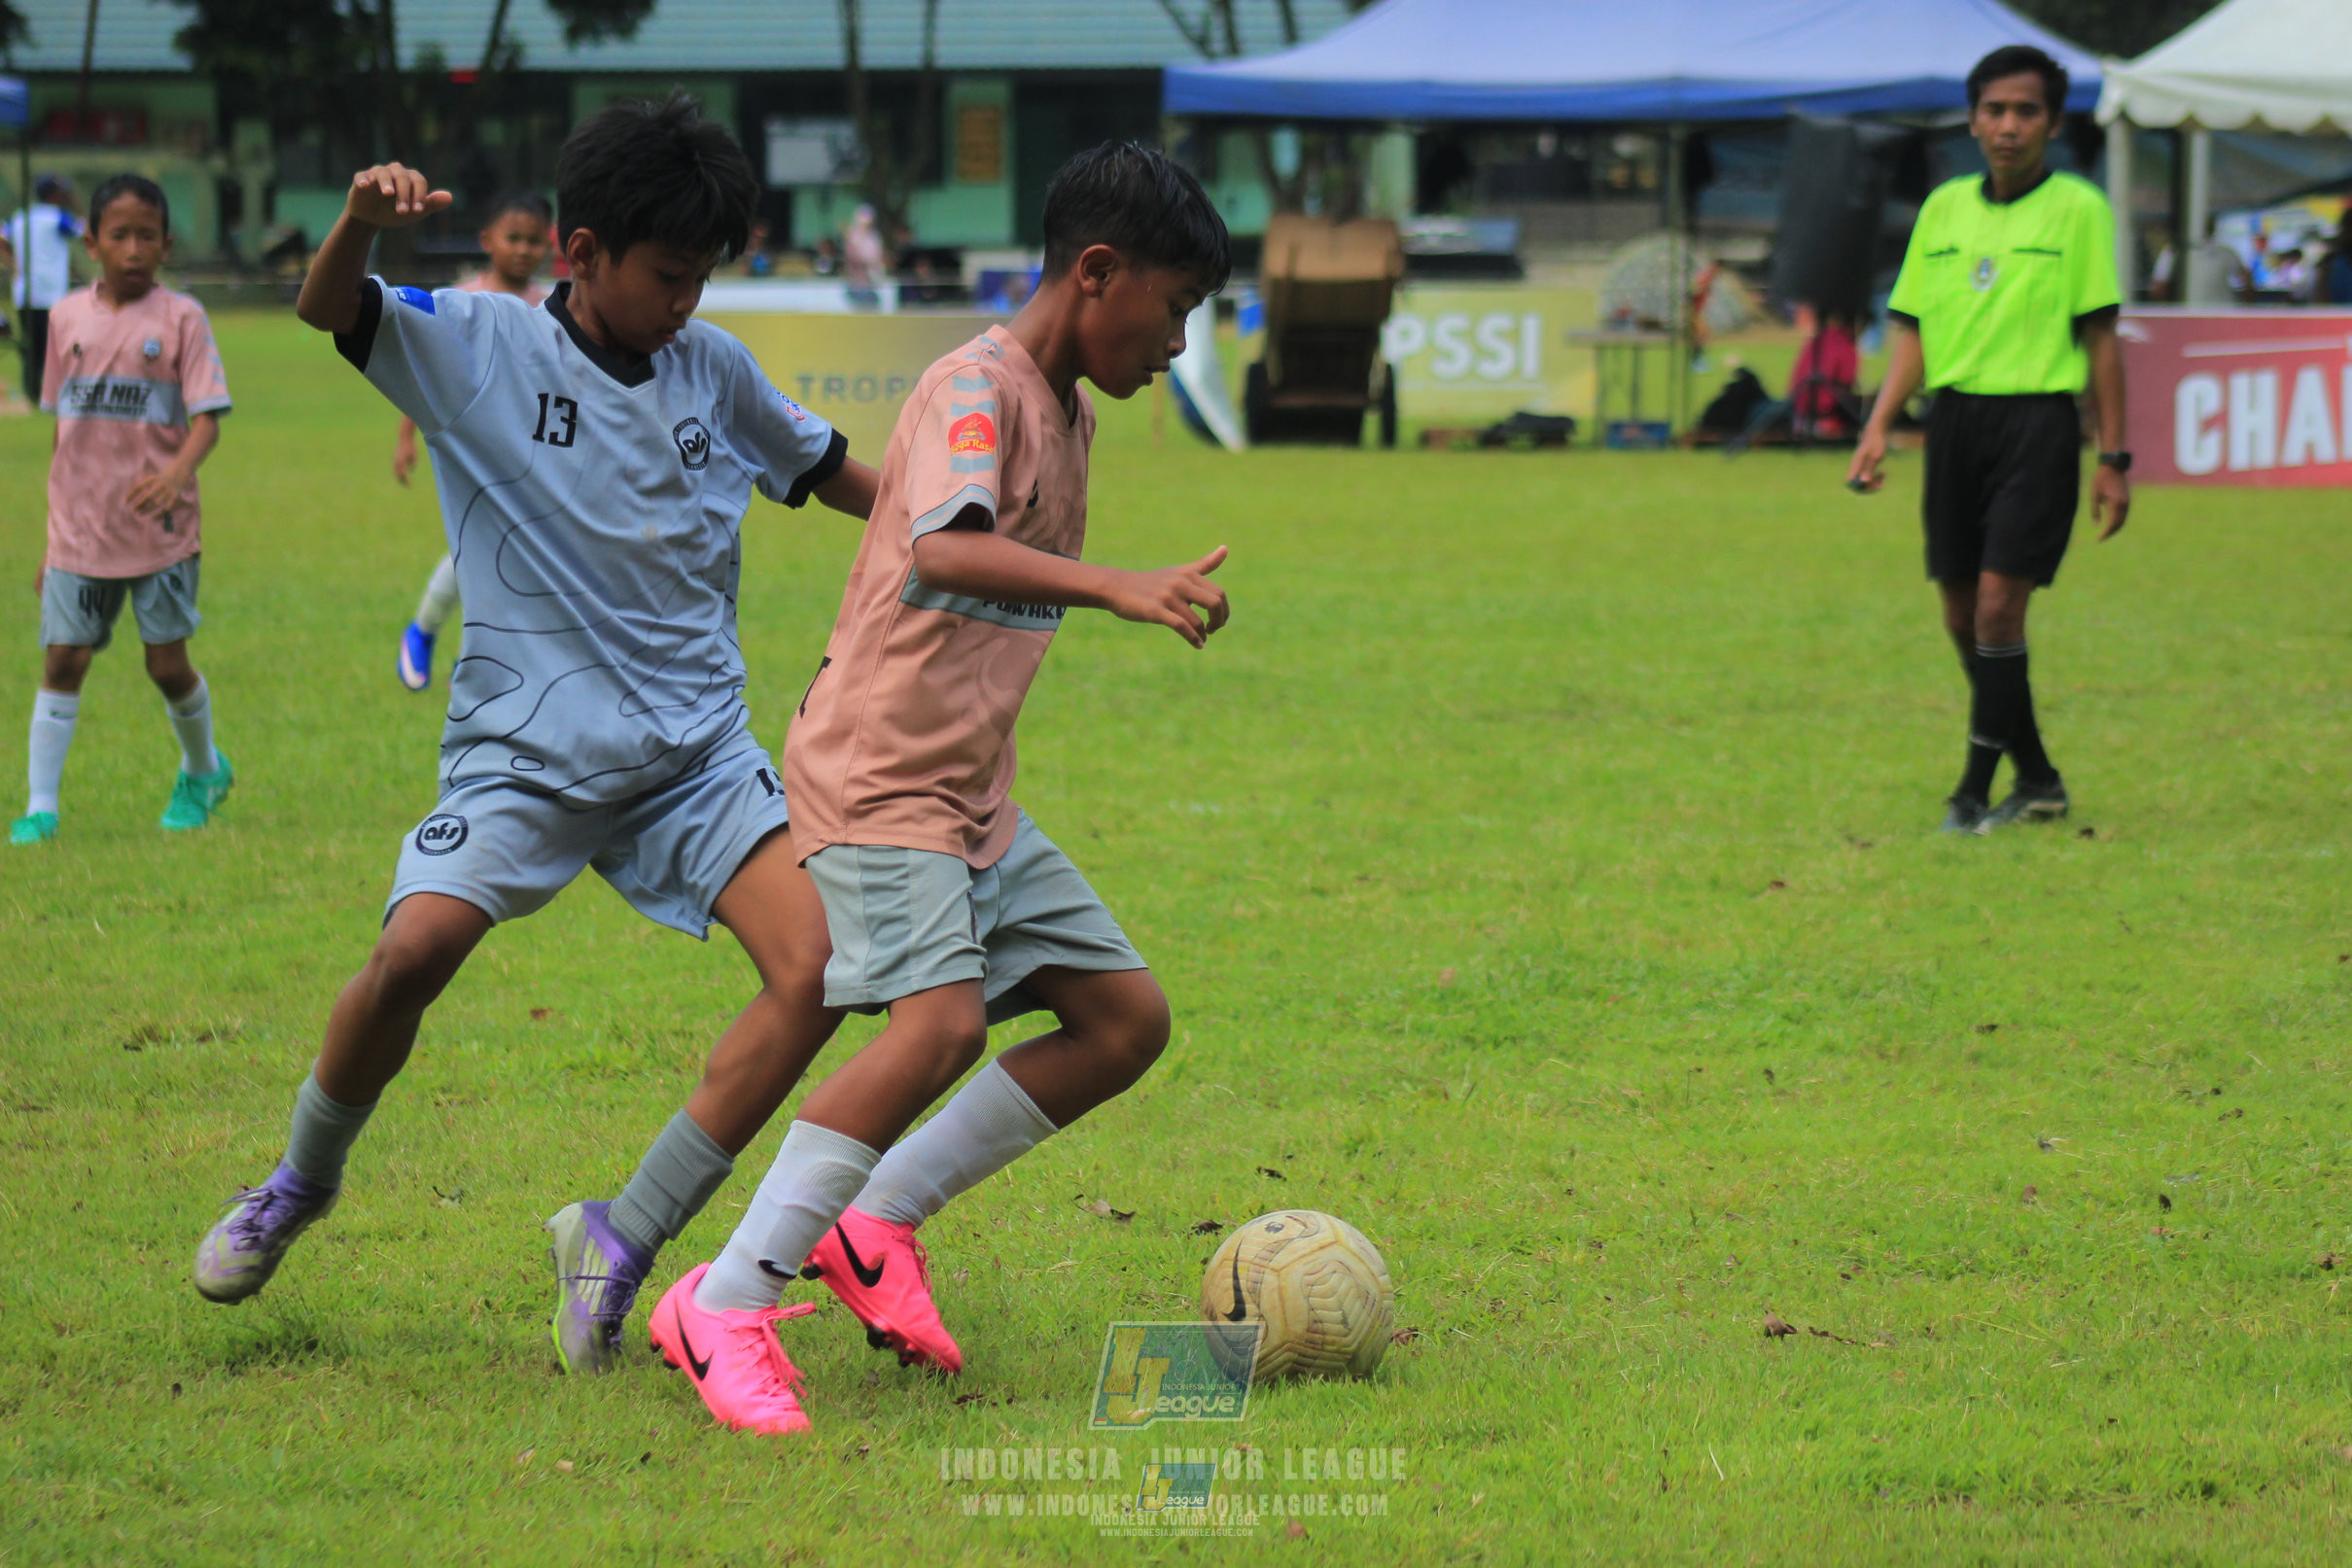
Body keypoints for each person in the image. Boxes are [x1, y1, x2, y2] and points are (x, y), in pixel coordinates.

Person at [188, 98, 885, 1329]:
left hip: (694, 756)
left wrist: (961, 525)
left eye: (704, 276)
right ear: (580, 253)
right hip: (526, 753)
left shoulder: (711, 368)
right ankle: (298, 1180)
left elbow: (835, 477)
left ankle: (620, 1236)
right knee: (411, 952)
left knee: (818, 967)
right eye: (669, 274)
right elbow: (328, 309)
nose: (687, 301)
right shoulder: (482, 347)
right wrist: (356, 221)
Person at [645, 142, 1233, 1437]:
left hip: (966, 787)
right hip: (878, 775)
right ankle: (722, 1301)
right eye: (1175, 307)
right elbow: (943, 546)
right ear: (1096, 272)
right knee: (937, 1028)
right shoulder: (978, 385)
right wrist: (1121, 585)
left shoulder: (1066, 408)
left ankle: (871, 1222)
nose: (1176, 343)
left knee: (1122, 1020)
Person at [1848, 44, 2128, 835]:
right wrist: (1876, 426)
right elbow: (1912, 331)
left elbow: (2103, 341)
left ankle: (1970, 793)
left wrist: (2113, 458)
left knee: (2000, 613)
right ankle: (2036, 777)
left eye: (2026, 111)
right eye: (1995, 110)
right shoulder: (1942, 211)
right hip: (1954, 425)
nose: (2008, 126)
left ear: (2053, 122)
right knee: (1960, 614)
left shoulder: (2077, 209)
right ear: (1972, 120)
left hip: (2038, 424)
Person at [12, 175, 234, 848]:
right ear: (91, 242)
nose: (133, 248)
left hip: (158, 529)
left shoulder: (182, 318)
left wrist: (175, 472)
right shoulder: (65, 318)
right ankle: (41, 806)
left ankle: (204, 770)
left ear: (166, 244)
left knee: (166, 665)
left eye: (147, 236)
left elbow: (208, 419)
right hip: (80, 529)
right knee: (63, 660)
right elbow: (64, 430)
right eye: (119, 235)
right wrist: (50, 540)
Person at [392, 191, 554, 691]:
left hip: (538, 446)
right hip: (472, 442)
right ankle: (438, 641)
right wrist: (406, 439)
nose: (524, 250)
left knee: (507, 546)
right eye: (513, 238)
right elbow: (420, 372)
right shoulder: (459, 301)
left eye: (533, 240)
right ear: (487, 240)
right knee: (488, 543)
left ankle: (432, 636)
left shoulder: (555, 305)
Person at [6, 174, 83, 405]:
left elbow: (3, 237)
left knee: (32, 346)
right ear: (54, 195)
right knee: (52, 348)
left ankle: (31, 392)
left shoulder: (21, 217)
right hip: (51, 293)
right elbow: (81, 231)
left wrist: (12, 264)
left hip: (25, 292)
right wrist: (76, 206)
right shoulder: (59, 218)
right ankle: (49, 395)